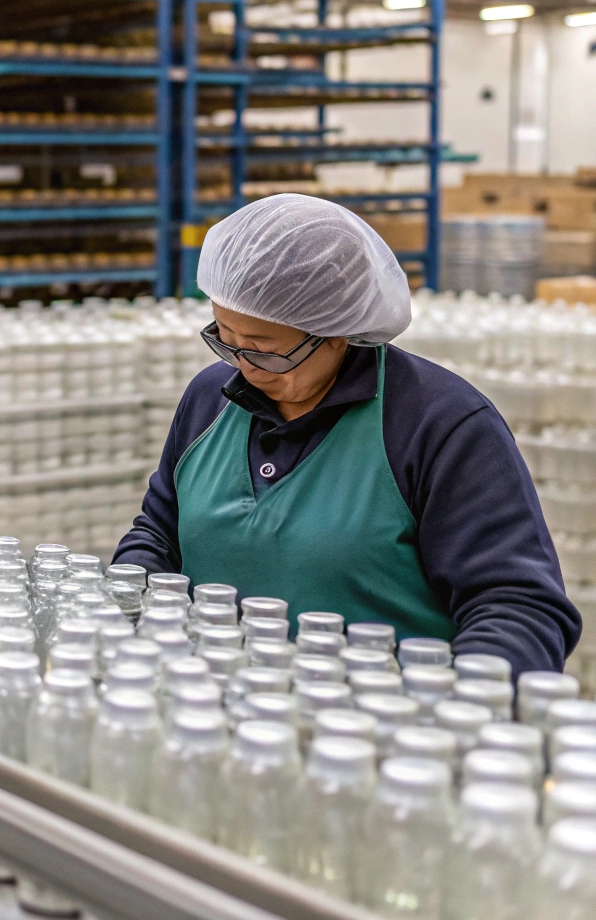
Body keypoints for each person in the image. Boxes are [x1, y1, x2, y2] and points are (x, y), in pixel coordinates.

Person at [115, 193, 580, 676]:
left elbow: (517, 605)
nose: (243, 366)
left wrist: (459, 704)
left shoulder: (440, 425)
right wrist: (126, 605)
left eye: (263, 350)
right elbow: (159, 533)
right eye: (224, 339)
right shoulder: (210, 400)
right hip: (215, 713)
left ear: (337, 330)